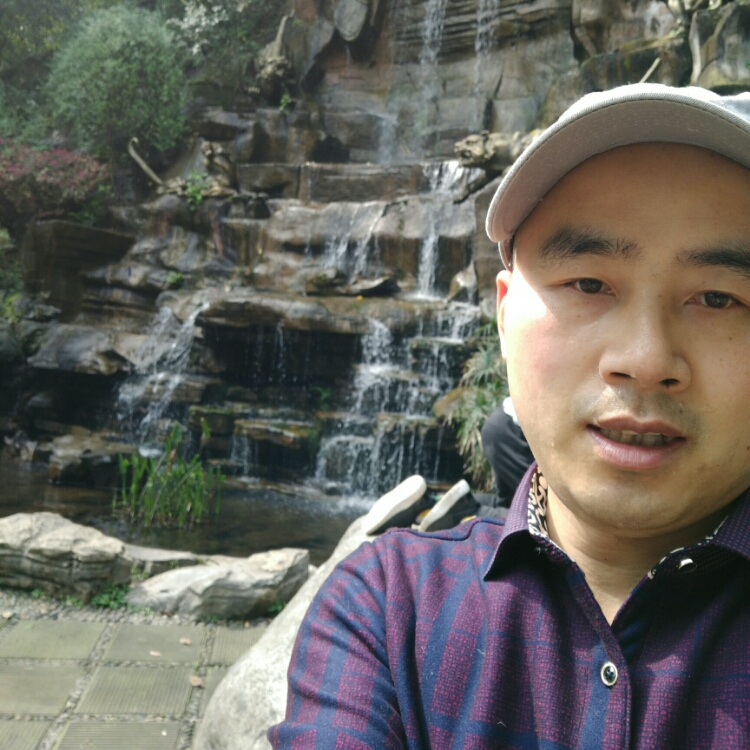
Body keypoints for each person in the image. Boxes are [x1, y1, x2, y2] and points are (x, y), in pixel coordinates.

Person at [269, 83, 750, 748]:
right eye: (589, 283)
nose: (644, 360)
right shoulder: (387, 612)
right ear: (503, 317)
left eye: (719, 298)